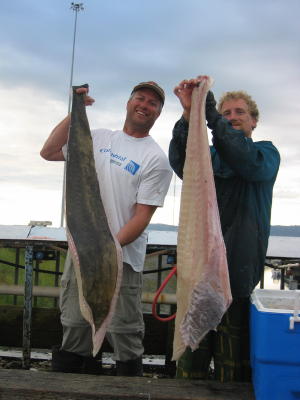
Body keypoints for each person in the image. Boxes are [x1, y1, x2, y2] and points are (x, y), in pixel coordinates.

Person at [40, 81, 172, 376]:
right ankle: (71, 389)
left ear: (158, 113)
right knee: (75, 324)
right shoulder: (97, 137)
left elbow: (142, 216)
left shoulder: (156, 159)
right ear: (128, 102)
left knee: (123, 330)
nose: (144, 105)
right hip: (81, 256)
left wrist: (108, 251)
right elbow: (48, 152)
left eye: (152, 103)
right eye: (140, 98)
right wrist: (75, 111)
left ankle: (130, 388)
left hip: (122, 259)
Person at [169, 76, 280, 382]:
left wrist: (212, 114)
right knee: (190, 366)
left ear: (254, 121)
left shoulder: (265, 155)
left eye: (239, 113)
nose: (231, 117)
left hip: (238, 280)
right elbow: (181, 160)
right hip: (199, 279)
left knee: (235, 372)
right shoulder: (212, 157)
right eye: (226, 112)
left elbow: (243, 158)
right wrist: (189, 115)